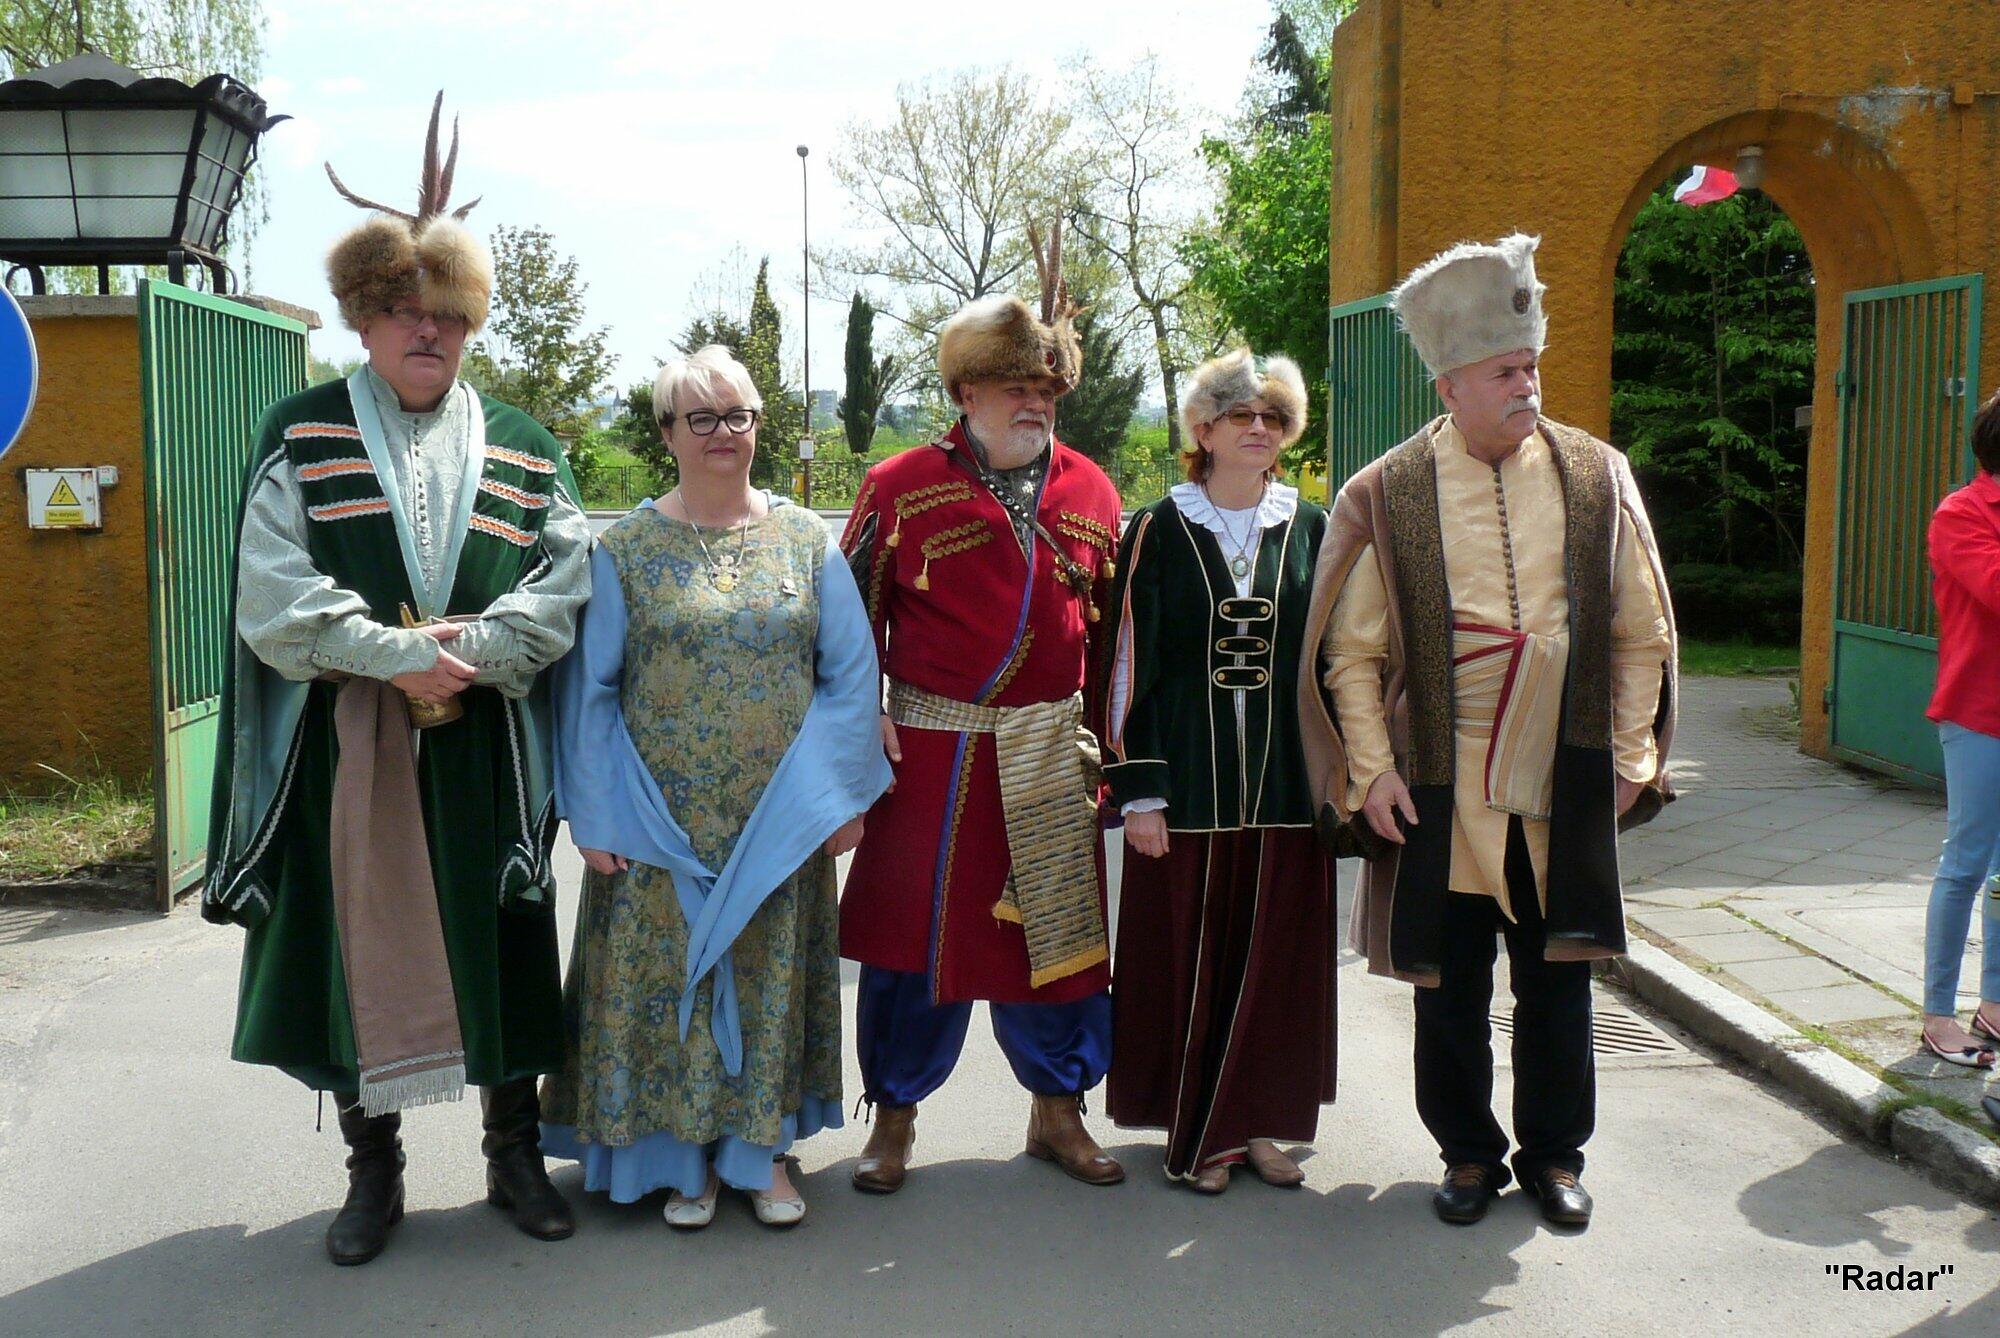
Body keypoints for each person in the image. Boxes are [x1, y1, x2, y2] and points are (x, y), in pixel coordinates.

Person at [201, 99, 591, 1266]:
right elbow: (272, 594)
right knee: (353, 943)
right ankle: (373, 1172)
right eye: (404, 312)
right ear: (364, 320)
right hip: (350, 737)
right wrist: (393, 652)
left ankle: (513, 1155)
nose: (428, 331)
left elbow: (565, 580)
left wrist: (481, 649)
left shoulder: (524, 441)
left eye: (448, 315)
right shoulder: (302, 430)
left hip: (485, 737)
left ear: (469, 325)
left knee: (502, 934)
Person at [1301, 234, 1676, 1229]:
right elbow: (1350, 654)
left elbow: (1640, 631)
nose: (1526, 385)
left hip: (1563, 770)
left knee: (1559, 982)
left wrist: (1631, 757)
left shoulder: (1597, 474)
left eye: (1531, 366)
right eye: (1505, 372)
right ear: (1450, 384)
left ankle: (1554, 1157)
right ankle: (1467, 1156)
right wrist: (1370, 772)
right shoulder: (1386, 491)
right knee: (1450, 985)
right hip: (1442, 777)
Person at [538, 346, 891, 1228]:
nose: (722, 432)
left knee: (768, 981)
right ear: (668, 433)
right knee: (666, 986)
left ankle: (759, 1156)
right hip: (657, 822)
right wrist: (597, 814)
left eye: (738, 415)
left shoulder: (807, 542)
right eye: (701, 417)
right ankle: (678, 1160)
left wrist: (841, 797)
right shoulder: (625, 550)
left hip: (782, 819)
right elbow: (591, 690)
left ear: (758, 426)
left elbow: (852, 675)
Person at [837, 224, 1127, 1193]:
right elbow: (846, 625)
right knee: (911, 948)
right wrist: (861, 721)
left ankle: (1058, 1112)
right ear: (965, 393)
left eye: (1046, 389)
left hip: (1047, 752)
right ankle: (893, 1118)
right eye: (1014, 387)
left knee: (1056, 943)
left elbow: (1109, 640)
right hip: (932, 753)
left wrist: (1113, 755)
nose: (1034, 402)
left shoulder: (1094, 491)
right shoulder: (898, 486)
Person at [1100, 350, 1335, 1192]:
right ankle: (1200, 1129)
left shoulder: (1312, 527)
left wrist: (1342, 774)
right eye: (1242, 415)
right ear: (1204, 430)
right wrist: (1140, 789)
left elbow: (1335, 658)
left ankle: (1260, 1124)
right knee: (1189, 956)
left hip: (1284, 790)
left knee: (1276, 959)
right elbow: (1125, 663)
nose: (1260, 428)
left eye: (1274, 417)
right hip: (1186, 789)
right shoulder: (1158, 528)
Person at [1918, 388, 2000, 1069]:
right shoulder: (1961, 514)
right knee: (1967, 863)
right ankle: (1938, 1014)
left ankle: (1995, 1002)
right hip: (1979, 713)